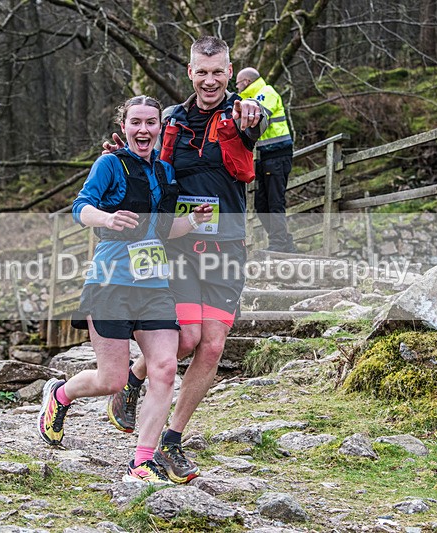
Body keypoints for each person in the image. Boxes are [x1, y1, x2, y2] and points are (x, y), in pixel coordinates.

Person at [105, 36, 268, 484]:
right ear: (190, 72)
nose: (210, 80)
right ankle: (133, 384)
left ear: (230, 72)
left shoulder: (242, 113)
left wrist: (255, 112)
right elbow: (143, 161)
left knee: (212, 345)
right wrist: (116, 159)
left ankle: (172, 441)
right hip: (178, 246)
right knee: (183, 341)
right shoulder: (172, 119)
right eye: (202, 71)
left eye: (218, 72)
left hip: (227, 244)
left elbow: (257, 120)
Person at [37, 95, 212, 483]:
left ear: (160, 127)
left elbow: (166, 229)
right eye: (136, 122)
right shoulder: (109, 164)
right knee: (112, 380)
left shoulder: (165, 172)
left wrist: (194, 221)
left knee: (165, 369)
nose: (144, 129)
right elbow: (80, 207)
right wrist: (107, 217)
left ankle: (142, 462)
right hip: (110, 283)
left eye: (151, 122)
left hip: (153, 285)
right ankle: (60, 395)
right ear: (125, 126)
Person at [236, 67, 297, 253]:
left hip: (277, 155)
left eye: (238, 84)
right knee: (262, 204)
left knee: (274, 200)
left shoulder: (265, 93)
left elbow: (257, 118)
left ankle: (279, 243)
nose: (237, 88)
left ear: (246, 82)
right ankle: (284, 241)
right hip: (265, 156)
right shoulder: (249, 99)